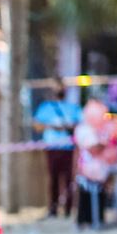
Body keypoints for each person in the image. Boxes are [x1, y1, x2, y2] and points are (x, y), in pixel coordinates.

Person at [32, 88, 78, 218]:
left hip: (68, 147)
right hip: (52, 147)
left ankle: (69, 208)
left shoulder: (72, 107)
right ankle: (53, 208)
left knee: (68, 178)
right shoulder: (46, 107)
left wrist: (67, 126)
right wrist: (52, 126)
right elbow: (37, 125)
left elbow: (78, 124)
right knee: (53, 178)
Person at [73, 99, 114, 229]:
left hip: (100, 169)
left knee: (100, 195)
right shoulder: (83, 129)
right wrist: (104, 145)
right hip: (87, 169)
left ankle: (98, 219)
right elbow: (93, 148)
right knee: (85, 195)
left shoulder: (101, 128)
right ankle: (84, 221)